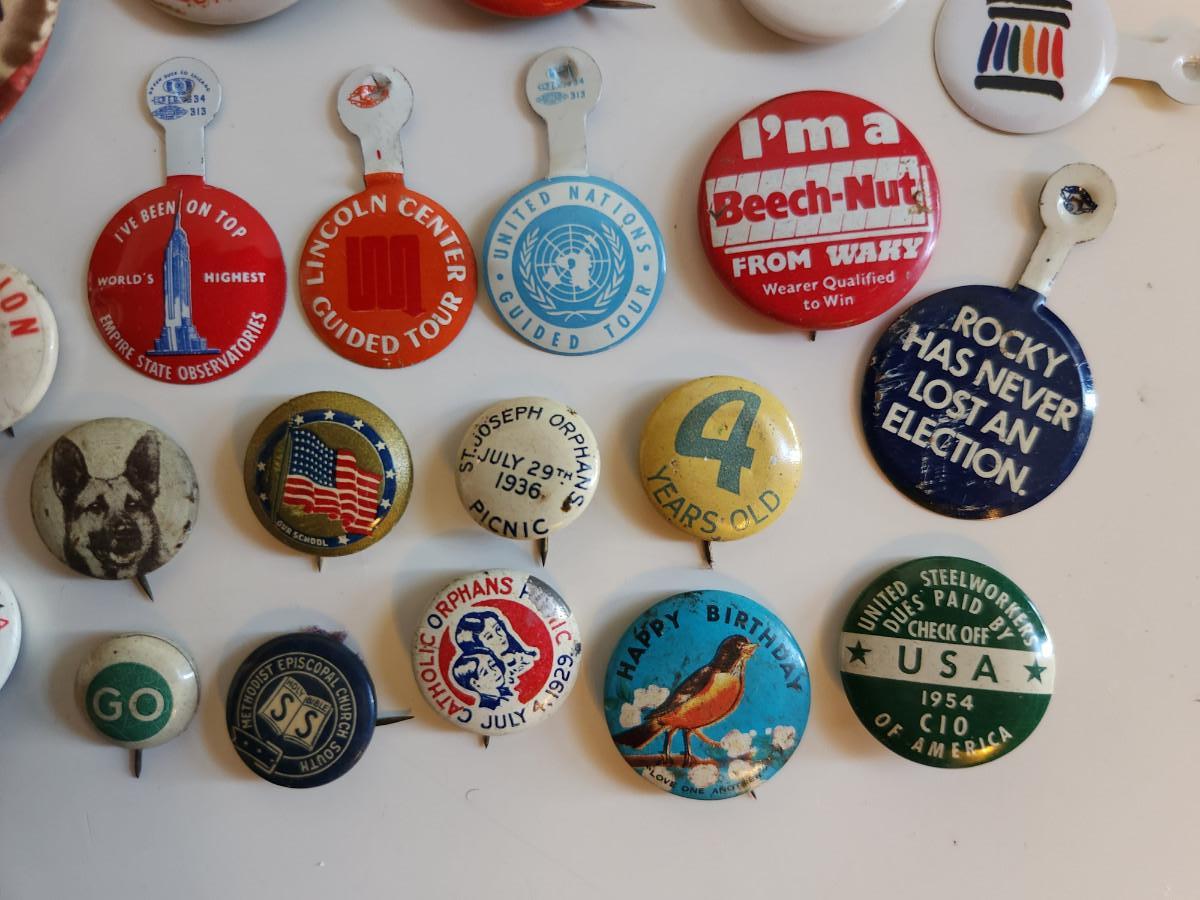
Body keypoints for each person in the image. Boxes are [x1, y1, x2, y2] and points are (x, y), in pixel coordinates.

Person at [454, 610, 538, 685]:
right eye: (489, 636)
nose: (499, 636)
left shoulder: (522, 658)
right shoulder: (494, 678)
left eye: (498, 629)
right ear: (477, 647)